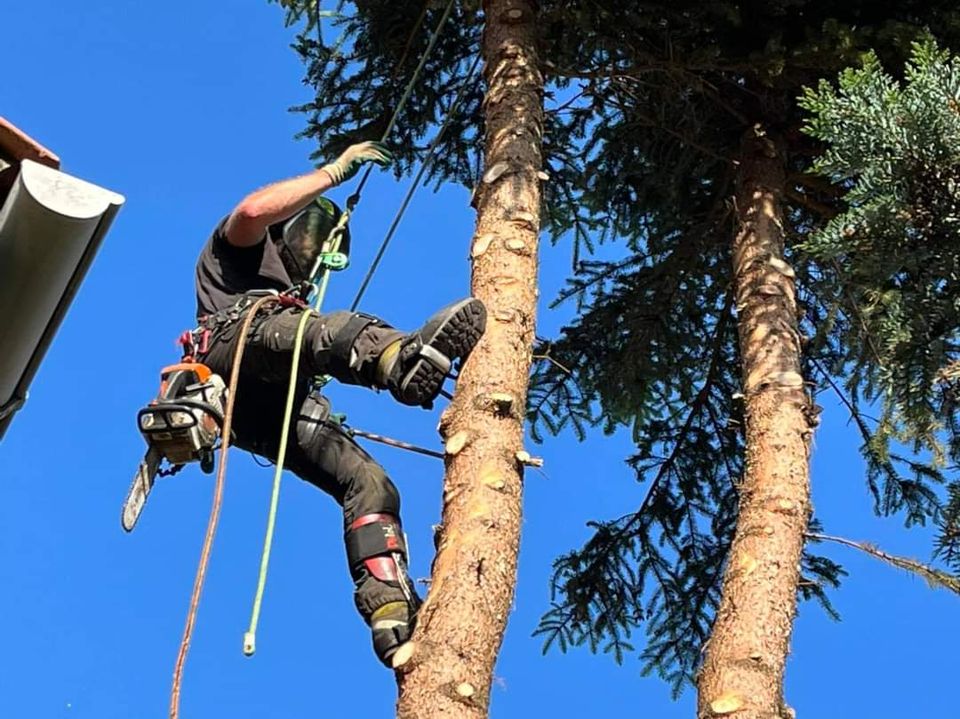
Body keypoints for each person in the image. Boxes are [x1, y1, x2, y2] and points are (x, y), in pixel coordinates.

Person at [191, 140, 486, 666]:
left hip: (267, 409)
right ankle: (400, 361)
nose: (315, 249)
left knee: (369, 483)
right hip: (233, 350)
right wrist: (334, 172)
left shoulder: (291, 296)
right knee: (329, 332)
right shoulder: (237, 255)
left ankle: (389, 609)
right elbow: (252, 211)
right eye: (312, 233)